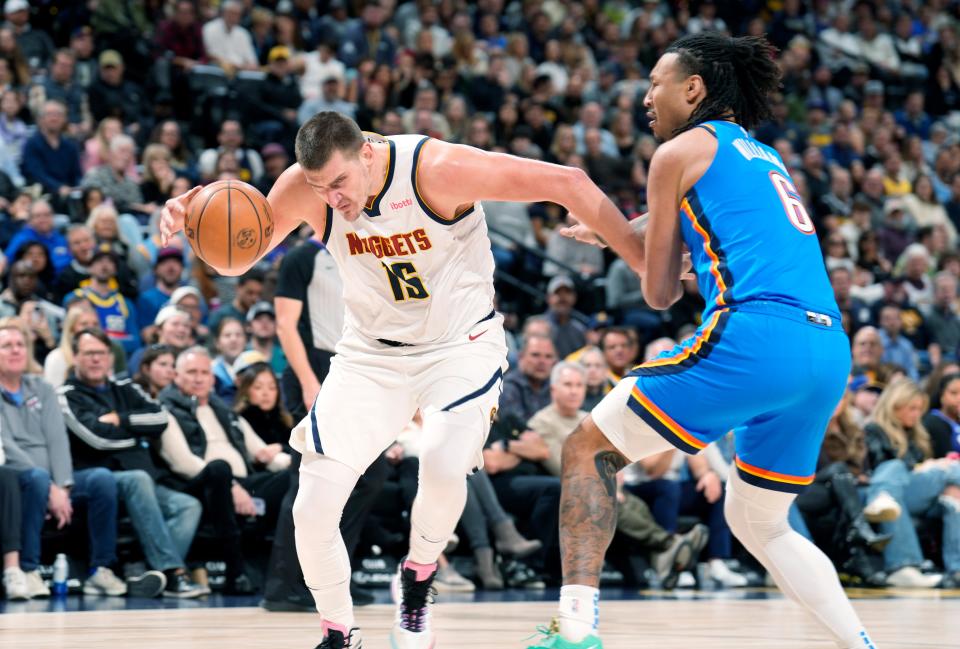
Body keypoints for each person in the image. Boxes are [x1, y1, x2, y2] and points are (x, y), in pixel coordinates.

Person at [160, 110, 647, 649]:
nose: (332, 201)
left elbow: (568, 183)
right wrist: (192, 215)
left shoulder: (437, 169)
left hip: (458, 347)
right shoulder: (306, 187)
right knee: (312, 506)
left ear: (367, 152)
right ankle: (339, 632)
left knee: (440, 463)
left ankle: (417, 580)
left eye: (340, 183)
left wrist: (642, 257)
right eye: (320, 188)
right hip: (369, 355)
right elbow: (238, 257)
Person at [530, 34, 876, 649]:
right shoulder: (763, 155)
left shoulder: (675, 152)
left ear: (693, 88)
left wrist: (611, 227)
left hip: (757, 337)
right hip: (826, 349)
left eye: (656, 84)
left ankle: (574, 629)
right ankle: (862, 645)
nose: (645, 97)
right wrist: (627, 226)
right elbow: (710, 226)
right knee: (760, 522)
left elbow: (659, 292)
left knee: (588, 449)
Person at [59, 328, 206, 598]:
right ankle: (173, 574)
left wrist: (121, 420)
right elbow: (96, 440)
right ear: (76, 357)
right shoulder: (67, 395)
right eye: (89, 353)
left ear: (110, 358)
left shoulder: (125, 388)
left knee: (188, 506)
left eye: (101, 354)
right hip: (103, 479)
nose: (96, 360)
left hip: (144, 481)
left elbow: (160, 419)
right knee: (138, 479)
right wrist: (137, 437)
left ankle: (145, 574)